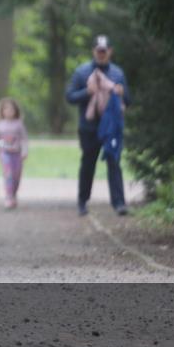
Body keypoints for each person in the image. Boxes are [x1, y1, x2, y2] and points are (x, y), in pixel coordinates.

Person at [65, 35, 132, 216]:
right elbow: (70, 96)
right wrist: (87, 92)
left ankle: (119, 203)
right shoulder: (82, 72)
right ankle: (82, 202)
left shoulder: (118, 74)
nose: (101, 54)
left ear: (110, 51)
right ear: (93, 51)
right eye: (98, 50)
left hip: (111, 127)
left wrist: (120, 93)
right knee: (88, 163)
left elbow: (128, 100)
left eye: (105, 50)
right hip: (89, 127)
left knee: (114, 162)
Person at [0, 97, 29, 210]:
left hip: (17, 154)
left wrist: (24, 151)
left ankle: (13, 194)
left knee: (16, 176)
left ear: (15, 111)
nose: (9, 112)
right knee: (8, 175)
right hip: (5, 153)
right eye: (6, 109)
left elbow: (24, 139)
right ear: (2, 111)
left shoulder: (19, 124)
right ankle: (8, 197)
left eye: (11, 109)